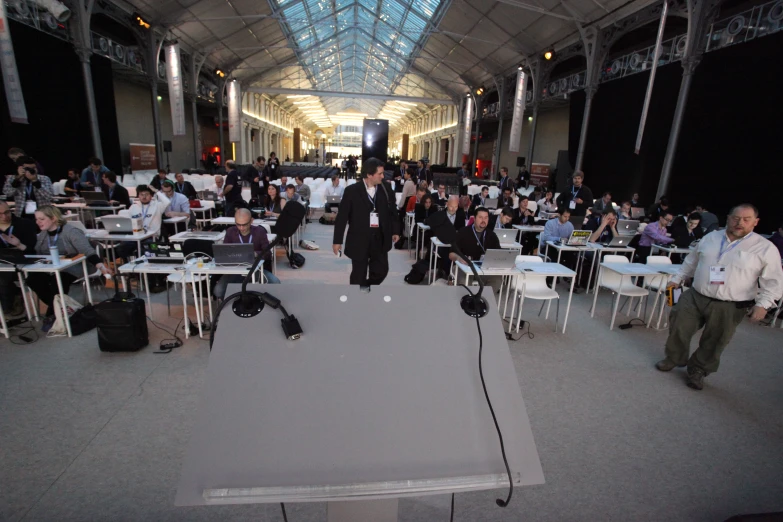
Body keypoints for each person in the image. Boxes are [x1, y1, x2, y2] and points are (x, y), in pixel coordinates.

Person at [656, 204, 783, 390]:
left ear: (756, 222)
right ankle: (674, 357)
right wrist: (677, 279)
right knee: (679, 325)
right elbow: (692, 260)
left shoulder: (765, 248)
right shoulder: (711, 237)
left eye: (746, 219)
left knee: (715, 339)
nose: (740, 223)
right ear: (728, 218)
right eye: (735, 218)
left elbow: (774, 281)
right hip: (696, 295)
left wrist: (764, 304)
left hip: (730, 304)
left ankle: (698, 369)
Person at [27, 205, 112, 331]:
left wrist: (100, 266)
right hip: (52, 268)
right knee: (32, 279)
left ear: (54, 218)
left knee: (58, 282)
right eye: (36, 219)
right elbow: (37, 253)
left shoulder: (71, 232)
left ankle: (52, 313)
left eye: (42, 219)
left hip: (74, 267)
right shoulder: (42, 235)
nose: (37, 222)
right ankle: (58, 308)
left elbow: (87, 251)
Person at [332, 157, 400, 286]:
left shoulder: (385, 188)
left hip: (379, 239)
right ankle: (357, 298)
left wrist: (396, 230)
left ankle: (367, 288)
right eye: (380, 173)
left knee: (381, 271)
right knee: (358, 274)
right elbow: (342, 218)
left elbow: (393, 210)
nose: (383, 176)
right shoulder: (351, 191)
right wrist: (337, 241)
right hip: (359, 239)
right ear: (369, 174)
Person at [213, 209, 280, 300]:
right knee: (218, 291)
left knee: (276, 283)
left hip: (255, 270)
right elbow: (225, 252)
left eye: (244, 224)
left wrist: (255, 254)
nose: (241, 228)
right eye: (238, 224)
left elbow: (268, 254)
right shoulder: (230, 232)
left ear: (251, 221)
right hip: (235, 271)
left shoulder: (260, 232)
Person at [0, 200, 38, 315]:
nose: (4, 216)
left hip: (23, 260)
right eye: (0, 214)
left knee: (2, 277)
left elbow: (33, 249)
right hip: (2, 261)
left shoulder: (25, 224)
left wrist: (18, 245)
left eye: (7, 212)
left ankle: (7, 311)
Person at [115, 185, 170, 259]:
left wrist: (157, 191)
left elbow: (167, 202)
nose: (144, 197)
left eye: (146, 194)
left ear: (151, 196)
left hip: (152, 236)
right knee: (121, 248)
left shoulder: (157, 206)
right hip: (136, 235)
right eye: (141, 194)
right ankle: (129, 265)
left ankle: (144, 268)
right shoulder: (133, 207)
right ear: (138, 196)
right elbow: (128, 222)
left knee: (144, 250)